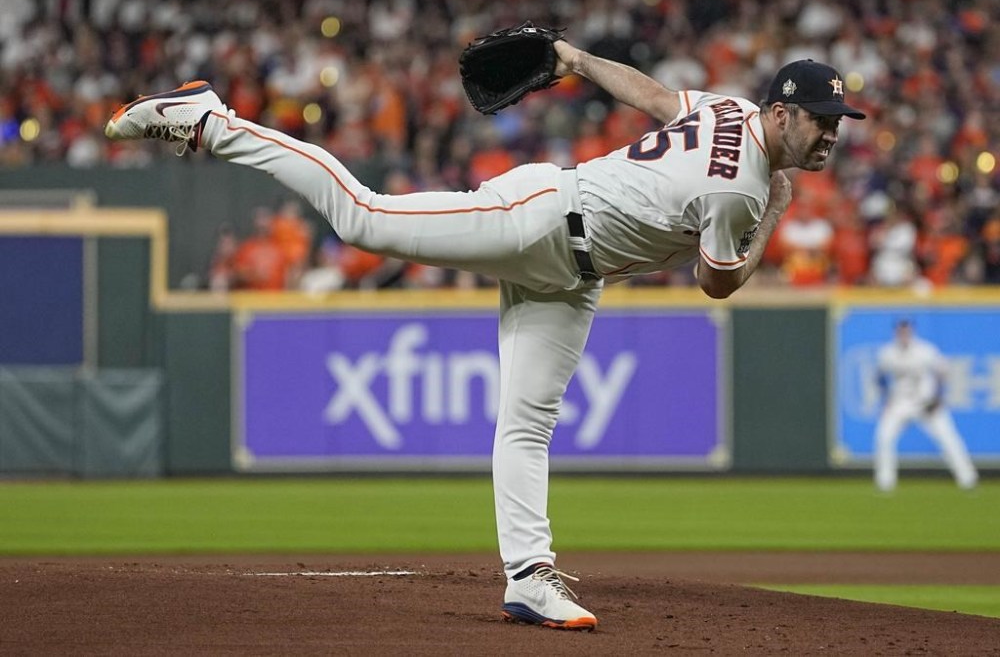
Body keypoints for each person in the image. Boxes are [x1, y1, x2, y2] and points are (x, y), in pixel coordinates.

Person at [104, 38, 865, 630]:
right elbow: (718, 282)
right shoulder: (742, 189)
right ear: (782, 113)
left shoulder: (729, 110)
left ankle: (529, 577)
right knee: (362, 216)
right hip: (537, 220)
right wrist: (776, 210)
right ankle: (212, 121)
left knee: (528, 423)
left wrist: (574, 58)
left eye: (840, 123)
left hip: (573, 270)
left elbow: (658, 97)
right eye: (823, 120)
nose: (833, 135)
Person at [874, 319, 978, 492]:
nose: (904, 334)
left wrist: (937, 398)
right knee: (884, 437)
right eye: (901, 331)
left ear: (912, 331)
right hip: (900, 403)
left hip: (926, 402)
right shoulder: (887, 352)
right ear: (896, 332)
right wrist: (886, 399)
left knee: (948, 438)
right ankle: (885, 482)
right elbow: (879, 377)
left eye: (907, 331)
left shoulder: (925, 350)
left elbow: (942, 373)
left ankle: (968, 479)